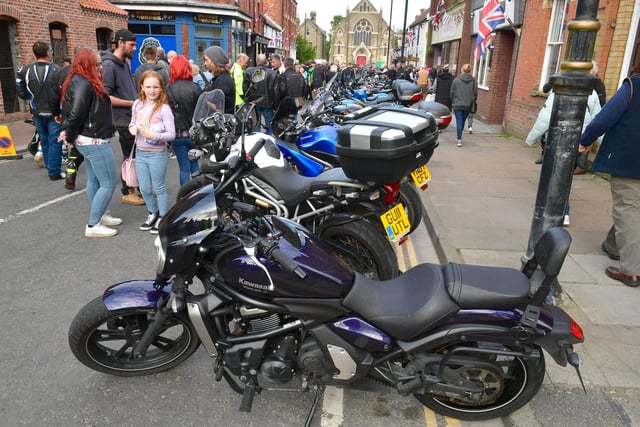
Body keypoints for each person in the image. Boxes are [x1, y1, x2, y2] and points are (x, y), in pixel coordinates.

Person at [579, 72, 640, 288]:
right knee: (632, 208)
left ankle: (632, 271)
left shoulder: (634, 85)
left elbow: (605, 117)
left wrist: (585, 140)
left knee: (628, 209)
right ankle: (613, 246)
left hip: (631, 161)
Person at [59, 48, 122, 238]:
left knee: (95, 180)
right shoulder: (83, 83)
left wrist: (69, 133)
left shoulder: (81, 80)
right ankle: (93, 224)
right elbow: (75, 113)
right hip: (93, 140)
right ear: (87, 64)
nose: (101, 67)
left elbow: (72, 112)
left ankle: (100, 215)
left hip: (89, 139)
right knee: (109, 182)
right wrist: (69, 135)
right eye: (97, 64)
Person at [526, 84, 602, 225]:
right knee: (565, 176)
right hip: (578, 141)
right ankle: (562, 212)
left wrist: (532, 137)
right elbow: (598, 119)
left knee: (552, 174)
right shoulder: (592, 93)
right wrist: (599, 142)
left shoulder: (559, 90)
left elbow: (545, 117)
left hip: (556, 138)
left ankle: (555, 209)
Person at [129, 70, 176, 234]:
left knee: (159, 187)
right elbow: (132, 123)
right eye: (148, 86)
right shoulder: (137, 104)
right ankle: (152, 213)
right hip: (140, 153)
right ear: (141, 87)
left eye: (155, 87)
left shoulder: (164, 109)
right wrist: (132, 128)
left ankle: (163, 217)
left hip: (157, 154)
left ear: (161, 88)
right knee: (145, 189)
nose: (152, 90)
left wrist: (154, 135)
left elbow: (172, 134)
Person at [101, 29, 145, 206]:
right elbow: (106, 96)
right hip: (123, 119)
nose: (135, 48)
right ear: (120, 43)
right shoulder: (109, 66)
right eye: (132, 45)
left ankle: (139, 188)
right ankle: (127, 191)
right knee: (130, 156)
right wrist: (131, 104)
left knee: (137, 155)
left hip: (133, 117)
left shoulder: (124, 63)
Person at [16, 41, 64, 180]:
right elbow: (63, 91)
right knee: (55, 141)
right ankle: (54, 172)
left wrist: (28, 97)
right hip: (55, 113)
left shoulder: (24, 70)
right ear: (48, 53)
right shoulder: (57, 70)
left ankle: (51, 168)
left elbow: (19, 87)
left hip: (36, 111)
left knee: (45, 140)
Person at [52, 50, 85, 190]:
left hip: (66, 112)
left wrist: (56, 113)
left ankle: (71, 169)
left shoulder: (60, 72)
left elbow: (54, 95)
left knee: (77, 143)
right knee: (85, 143)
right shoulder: (84, 72)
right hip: (81, 113)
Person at [167, 55, 202, 185]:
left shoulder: (167, 89)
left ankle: (185, 197)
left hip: (176, 134)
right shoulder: (195, 87)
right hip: (194, 133)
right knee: (195, 166)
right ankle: (199, 196)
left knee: (183, 169)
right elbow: (201, 111)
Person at [575, 60, 608, 175]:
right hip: (582, 113)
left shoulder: (598, 84)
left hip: (592, 114)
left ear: (593, 71)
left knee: (586, 137)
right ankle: (576, 163)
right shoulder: (587, 81)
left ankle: (581, 165)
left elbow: (601, 100)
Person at [245, 53, 277, 132]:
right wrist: (275, 105)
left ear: (256, 61)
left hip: (254, 102)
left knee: (256, 124)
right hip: (268, 102)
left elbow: (245, 88)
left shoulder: (249, 71)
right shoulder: (272, 73)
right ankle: (269, 139)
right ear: (266, 62)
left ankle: (257, 141)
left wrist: (248, 100)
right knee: (270, 124)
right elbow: (275, 90)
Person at [449, 63, 477, 147]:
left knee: (459, 121)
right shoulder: (473, 81)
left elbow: (451, 93)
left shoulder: (456, 80)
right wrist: (472, 101)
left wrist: (453, 101)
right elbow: (475, 93)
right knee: (463, 121)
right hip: (468, 105)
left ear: (462, 70)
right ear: (470, 70)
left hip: (457, 104)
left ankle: (459, 139)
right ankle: (459, 137)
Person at [203, 46, 235, 114]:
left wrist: (204, 100)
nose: (205, 64)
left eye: (206, 60)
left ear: (214, 61)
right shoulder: (220, 78)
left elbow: (219, 108)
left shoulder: (222, 81)